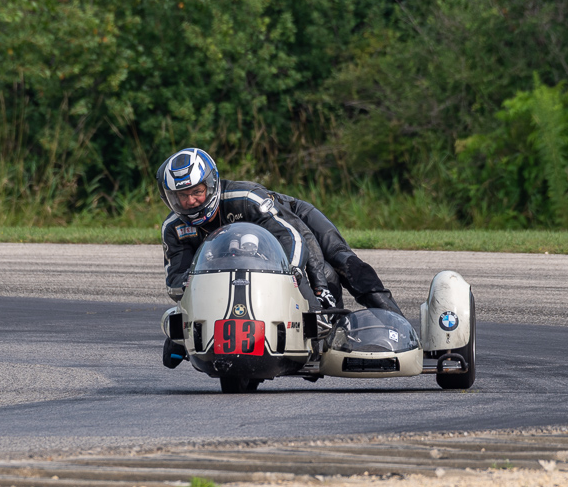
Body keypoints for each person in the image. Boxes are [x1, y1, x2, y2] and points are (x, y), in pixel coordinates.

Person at [157, 148, 402, 368]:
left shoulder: (246, 198)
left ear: (211, 185)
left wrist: (317, 286)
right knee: (173, 351)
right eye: (182, 195)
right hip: (251, 255)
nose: (190, 202)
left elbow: (297, 236)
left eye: (197, 192)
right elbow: (176, 281)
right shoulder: (173, 228)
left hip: (296, 219)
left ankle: (398, 325)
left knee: (343, 264)